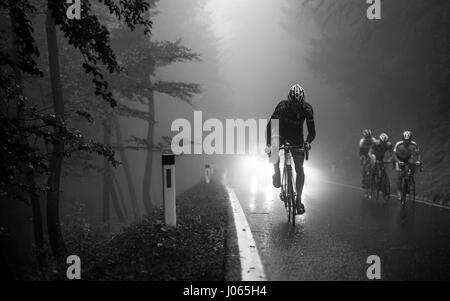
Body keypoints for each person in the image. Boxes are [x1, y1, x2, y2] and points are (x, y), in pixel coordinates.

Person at [266, 84, 316, 215]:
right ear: (289, 100)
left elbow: (312, 131)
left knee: (299, 168)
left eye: (298, 104)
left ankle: (298, 200)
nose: (295, 107)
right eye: (293, 104)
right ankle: (276, 173)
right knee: (274, 151)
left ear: (302, 102)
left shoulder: (307, 109)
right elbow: (270, 125)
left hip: (296, 137)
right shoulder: (282, 107)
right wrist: (269, 144)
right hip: (280, 132)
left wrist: (307, 142)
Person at [393, 131, 421, 200]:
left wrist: (418, 161)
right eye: (405, 140)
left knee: (410, 169)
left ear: (410, 140)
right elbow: (394, 154)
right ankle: (399, 191)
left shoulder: (414, 144)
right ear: (403, 139)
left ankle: (408, 181)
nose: (406, 142)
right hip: (399, 159)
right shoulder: (398, 144)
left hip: (408, 158)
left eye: (408, 140)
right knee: (400, 176)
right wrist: (398, 161)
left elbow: (418, 154)